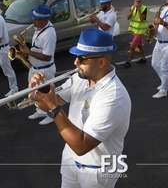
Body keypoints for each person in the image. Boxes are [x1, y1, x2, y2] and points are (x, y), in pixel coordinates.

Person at [28, 28, 131, 188]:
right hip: (71, 158)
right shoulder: (80, 77)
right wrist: (40, 93)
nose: (75, 63)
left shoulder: (114, 96)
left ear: (102, 62)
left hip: (98, 168)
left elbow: (81, 146)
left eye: (82, 59)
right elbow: (52, 100)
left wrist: (53, 107)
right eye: (76, 57)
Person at [20, 5, 57, 125]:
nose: (33, 21)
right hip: (35, 68)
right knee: (34, 93)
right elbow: (38, 49)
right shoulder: (40, 27)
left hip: (44, 70)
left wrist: (28, 52)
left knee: (47, 95)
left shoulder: (49, 34)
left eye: (35, 19)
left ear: (43, 20)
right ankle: (41, 110)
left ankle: (52, 115)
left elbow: (47, 57)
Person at [124, 0, 148, 68]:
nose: (137, 3)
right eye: (136, 1)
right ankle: (143, 59)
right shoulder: (132, 7)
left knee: (132, 47)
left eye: (139, 1)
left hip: (140, 31)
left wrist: (139, 10)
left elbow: (141, 19)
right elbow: (128, 17)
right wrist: (133, 10)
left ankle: (128, 61)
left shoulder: (144, 8)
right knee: (139, 46)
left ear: (141, 2)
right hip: (135, 30)